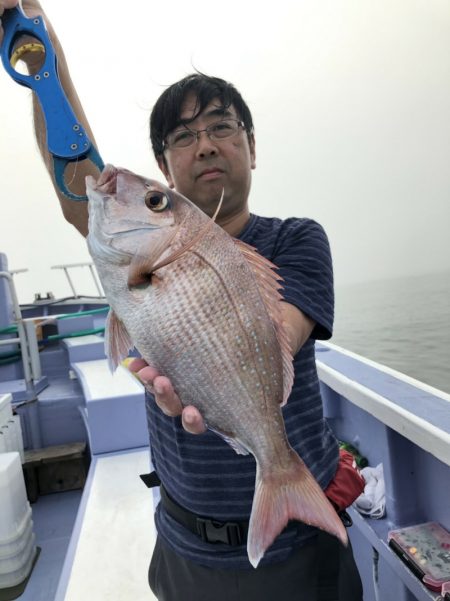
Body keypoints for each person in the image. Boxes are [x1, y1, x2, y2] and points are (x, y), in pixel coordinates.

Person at [0, 2, 364, 599]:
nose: (206, 145)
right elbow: (77, 180)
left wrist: (208, 363)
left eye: (222, 127)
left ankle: (282, 479)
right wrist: (36, 34)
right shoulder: (134, 242)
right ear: (165, 167)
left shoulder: (296, 239)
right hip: (184, 546)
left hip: (305, 546)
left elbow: (283, 328)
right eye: (183, 137)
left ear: (251, 145)